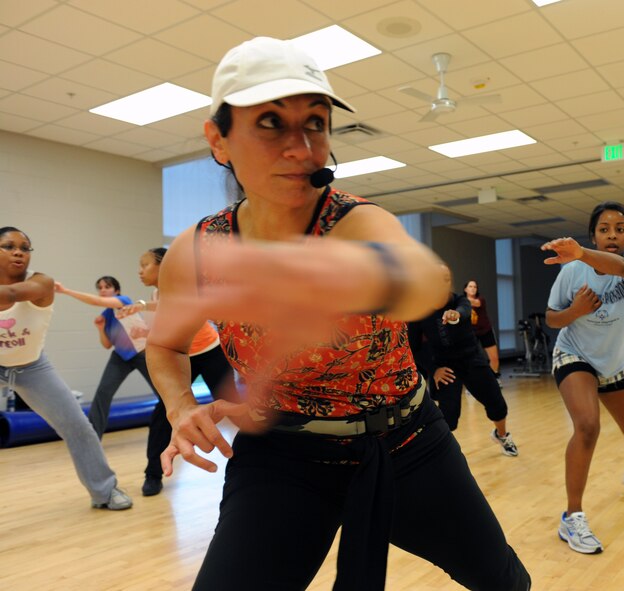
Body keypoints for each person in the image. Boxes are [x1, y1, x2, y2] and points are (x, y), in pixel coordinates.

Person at [144, 37, 530, 591]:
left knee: (504, 583)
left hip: (407, 444)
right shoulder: (199, 251)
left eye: (316, 123)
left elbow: (428, 281)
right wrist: (181, 407)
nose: (302, 147)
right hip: (283, 456)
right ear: (219, 139)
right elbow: (165, 344)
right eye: (271, 122)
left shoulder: (353, 221)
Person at [542, 201, 624, 556]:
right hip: (574, 355)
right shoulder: (570, 272)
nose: (612, 235)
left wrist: (582, 253)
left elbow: (622, 267)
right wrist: (575, 311)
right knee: (587, 426)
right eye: (604, 229)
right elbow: (552, 319)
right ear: (593, 234)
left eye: (619, 229)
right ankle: (572, 515)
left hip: (614, 363)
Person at [0, 227, 132, 511]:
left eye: (24, 247)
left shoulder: (42, 282)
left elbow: (9, 294)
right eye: (9, 246)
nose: (19, 251)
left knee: (77, 426)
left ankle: (105, 492)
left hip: (31, 366)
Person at [117, 247, 236, 496]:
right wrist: (142, 310)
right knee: (163, 414)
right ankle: (153, 474)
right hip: (183, 358)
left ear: (163, 265)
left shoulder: (185, 285)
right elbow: (165, 312)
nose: (140, 271)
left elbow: (175, 311)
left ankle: (264, 458)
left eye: (145, 264)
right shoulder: (159, 291)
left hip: (211, 352)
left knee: (235, 408)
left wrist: (143, 311)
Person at [54, 276, 173, 496]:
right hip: (120, 357)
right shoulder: (106, 315)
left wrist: (66, 291)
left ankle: (176, 433)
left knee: (164, 396)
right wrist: (100, 328)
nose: (103, 291)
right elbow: (107, 344)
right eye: (99, 288)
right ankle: (94, 439)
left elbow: (96, 302)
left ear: (116, 290)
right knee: (102, 395)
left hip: (141, 353)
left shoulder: (124, 301)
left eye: (107, 287)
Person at [414, 268, 517, 456]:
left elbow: (464, 311)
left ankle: (502, 435)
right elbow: (414, 348)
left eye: (446, 278)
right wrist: (434, 369)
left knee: (496, 402)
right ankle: (441, 454)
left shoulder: (459, 301)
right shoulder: (420, 311)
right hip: (445, 366)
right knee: (448, 417)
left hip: (471, 359)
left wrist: (455, 315)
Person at [464, 280, 501, 380]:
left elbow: (476, 303)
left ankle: (493, 379)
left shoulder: (480, 299)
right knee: (472, 359)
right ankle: (473, 383)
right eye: (470, 286)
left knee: (494, 358)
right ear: (465, 289)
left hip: (486, 331)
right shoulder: (461, 303)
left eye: (475, 287)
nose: (473, 288)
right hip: (472, 333)